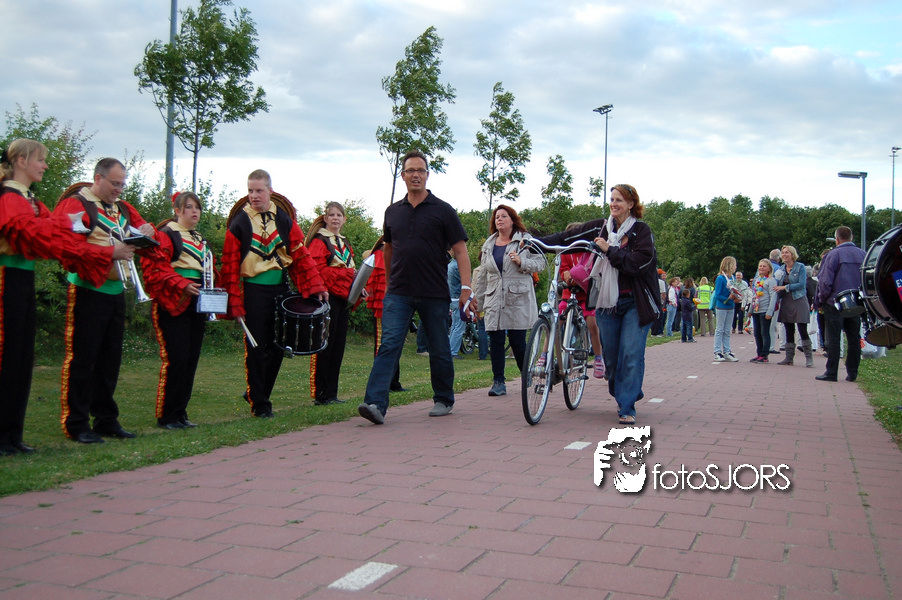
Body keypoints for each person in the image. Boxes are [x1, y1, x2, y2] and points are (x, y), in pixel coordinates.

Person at [0, 141, 113, 454]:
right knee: (7, 355)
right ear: (21, 161)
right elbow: (30, 233)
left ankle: (12, 434)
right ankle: (3, 436)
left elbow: (54, 239)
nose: (45, 166)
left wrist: (71, 235)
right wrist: (63, 223)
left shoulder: (29, 199)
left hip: (23, 277)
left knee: (21, 357)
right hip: (6, 277)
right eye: (40, 160)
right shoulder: (9, 196)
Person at [358, 150, 474, 424]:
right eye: (410, 170)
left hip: (434, 292)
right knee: (389, 344)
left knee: (439, 346)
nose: (416, 175)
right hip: (398, 292)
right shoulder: (392, 212)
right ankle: (375, 403)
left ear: (427, 174)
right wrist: (389, 281)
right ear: (403, 175)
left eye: (420, 170)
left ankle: (444, 398)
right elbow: (388, 249)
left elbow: (461, 251)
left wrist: (466, 289)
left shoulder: (443, 210)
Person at [53, 158, 157, 443]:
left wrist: (148, 231)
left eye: (122, 184)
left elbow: (142, 228)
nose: (119, 189)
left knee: (110, 360)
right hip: (87, 289)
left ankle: (106, 419)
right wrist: (111, 253)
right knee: (83, 359)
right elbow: (68, 248)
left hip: (116, 289)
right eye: (114, 183)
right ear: (97, 178)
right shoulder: (76, 204)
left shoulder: (122, 207)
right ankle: (76, 423)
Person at [538, 184, 659, 425]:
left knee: (631, 354)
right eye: (612, 199)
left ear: (631, 204)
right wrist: (535, 243)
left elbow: (637, 263)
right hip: (606, 302)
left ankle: (627, 405)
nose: (614, 204)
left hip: (636, 303)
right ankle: (627, 390)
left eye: (619, 200)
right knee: (611, 359)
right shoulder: (600, 228)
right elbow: (566, 237)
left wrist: (609, 250)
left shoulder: (641, 232)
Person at [221, 170, 327, 418]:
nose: (254, 195)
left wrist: (317, 286)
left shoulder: (283, 219)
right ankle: (260, 404)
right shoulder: (240, 222)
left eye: (259, 190)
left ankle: (258, 392)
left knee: (279, 346)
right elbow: (229, 267)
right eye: (250, 190)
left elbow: (300, 255)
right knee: (257, 348)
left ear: (270, 191)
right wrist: (234, 304)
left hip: (280, 289)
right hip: (254, 291)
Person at [139, 191, 216, 429]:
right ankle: (167, 415)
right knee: (177, 358)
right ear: (177, 210)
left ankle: (181, 412)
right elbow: (156, 268)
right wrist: (182, 284)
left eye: (197, 207)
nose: (194, 212)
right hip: (174, 300)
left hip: (197, 301)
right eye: (189, 207)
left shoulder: (199, 238)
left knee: (190, 359)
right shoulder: (167, 234)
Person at [475, 204, 545, 397]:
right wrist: (477, 303)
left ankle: (526, 374)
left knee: (517, 342)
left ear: (513, 220)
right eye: (497, 217)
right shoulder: (489, 244)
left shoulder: (525, 240)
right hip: (494, 298)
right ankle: (498, 382)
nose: (499, 219)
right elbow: (482, 276)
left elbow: (541, 263)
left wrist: (523, 262)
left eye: (504, 216)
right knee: (496, 341)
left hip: (517, 299)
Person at [306, 202, 357, 405]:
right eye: (332, 215)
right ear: (325, 218)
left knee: (338, 346)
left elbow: (351, 271)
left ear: (344, 219)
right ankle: (320, 393)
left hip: (343, 299)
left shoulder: (344, 242)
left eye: (339, 215)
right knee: (324, 344)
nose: (336, 218)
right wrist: (347, 275)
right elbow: (317, 270)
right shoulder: (320, 241)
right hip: (326, 298)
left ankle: (332, 393)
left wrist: (357, 286)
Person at [814, 226, 867, 382]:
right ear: (852, 237)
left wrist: (821, 300)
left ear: (837, 239)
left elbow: (825, 281)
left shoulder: (832, 255)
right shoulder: (863, 254)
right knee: (854, 338)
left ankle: (831, 372)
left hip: (835, 302)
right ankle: (852, 372)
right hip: (856, 302)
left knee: (834, 338)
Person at [559, 226, 604, 378]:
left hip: (585, 297)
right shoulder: (566, 253)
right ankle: (545, 354)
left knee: (592, 324)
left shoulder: (589, 253)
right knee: (556, 321)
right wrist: (567, 276)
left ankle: (598, 357)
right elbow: (564, 270)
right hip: (569, 295)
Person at [363, 238, 405, 392]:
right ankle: (384, 383)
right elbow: (377, 283)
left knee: (395, 344)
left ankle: (393, 382)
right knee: (384, 344)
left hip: (396, 304)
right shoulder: (380, 254)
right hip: (384, 305)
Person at [773, 245, 814, 367]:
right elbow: (777, 284)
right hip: (786, 301)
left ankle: (809, 358)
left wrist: (784, 287)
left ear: (792, 254)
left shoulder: (800, 267)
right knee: (788, 329)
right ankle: (789, 358)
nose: (784, 255)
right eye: (783, 253)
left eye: (787, 252)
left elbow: (801, 284)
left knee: (802, 329)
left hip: (798, 299)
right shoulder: (781, 269)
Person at [712, 256, 741, 362]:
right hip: (722, 307)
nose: (735, 267)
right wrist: (728, 298)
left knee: (728, 330)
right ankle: (717, 352)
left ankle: (727, 351)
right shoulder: (720, 278)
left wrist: (737, 297)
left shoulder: (732, 278)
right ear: (730, 265)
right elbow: (718, 294)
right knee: (720, 329)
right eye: (734, 265)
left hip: (731, 306)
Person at [749, 259, 777, 363]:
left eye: (764, 266)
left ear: (769, 268)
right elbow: (754, 295)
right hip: (756, 309)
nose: (761, 268)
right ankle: (759, 353)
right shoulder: (757, 280)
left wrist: (770, 311)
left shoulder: (771, 280)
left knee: (764, 332)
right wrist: (750, 309)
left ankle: (764, 355)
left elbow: (773, 296)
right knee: (757, 333)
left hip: (765, 310)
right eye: (760, 266)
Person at [447, 249, 465, 358]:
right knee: (459, 326)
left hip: (452, 298)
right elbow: (466, 280)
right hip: (458, 298)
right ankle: (453, 351)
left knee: (454, 325)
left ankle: (450, 348)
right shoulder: (457, 267)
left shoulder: (449, 265)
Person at [768, 248, 782, 353]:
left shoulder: (762, 267)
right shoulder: (779, 269)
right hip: (774, 300)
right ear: (779, 258)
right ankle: (771, 346)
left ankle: (764, 345)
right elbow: (779, 285)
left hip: (762, 299)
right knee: (773, 325)